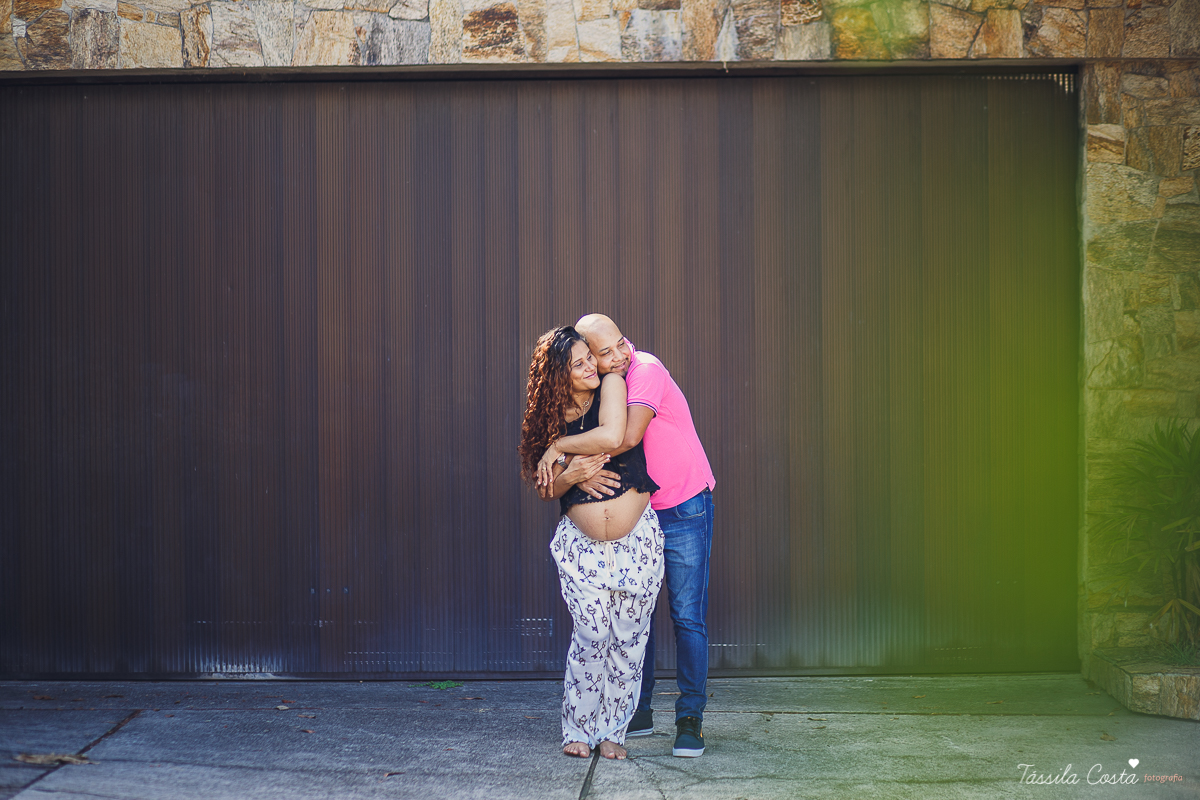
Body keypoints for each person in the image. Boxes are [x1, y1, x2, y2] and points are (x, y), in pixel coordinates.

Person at [537, 314, 716, 758]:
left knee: (686, 615)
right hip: (648, 509)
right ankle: (638, 711)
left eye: (620, 344)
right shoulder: (598, 385)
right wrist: (562, 472)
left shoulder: (644, 371)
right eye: (604, 353)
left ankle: (690, 717)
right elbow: (550, 480)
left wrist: (558, 450)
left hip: (685, 503)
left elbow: (624, 435)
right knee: (633, 624)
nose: (618, 355)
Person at [518, 325, 665, 761]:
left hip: (635, 541)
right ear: (558, 374)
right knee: (590, 635)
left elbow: (611, 436)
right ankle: (577, 728)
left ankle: (613, 732)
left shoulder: (613, 387)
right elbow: (548, 490)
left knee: (629, 638)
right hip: (581, 548)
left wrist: (560, 448)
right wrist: (573, 475)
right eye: (578, 363)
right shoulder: (548, 415)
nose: (591, 368)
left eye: (590, 358)